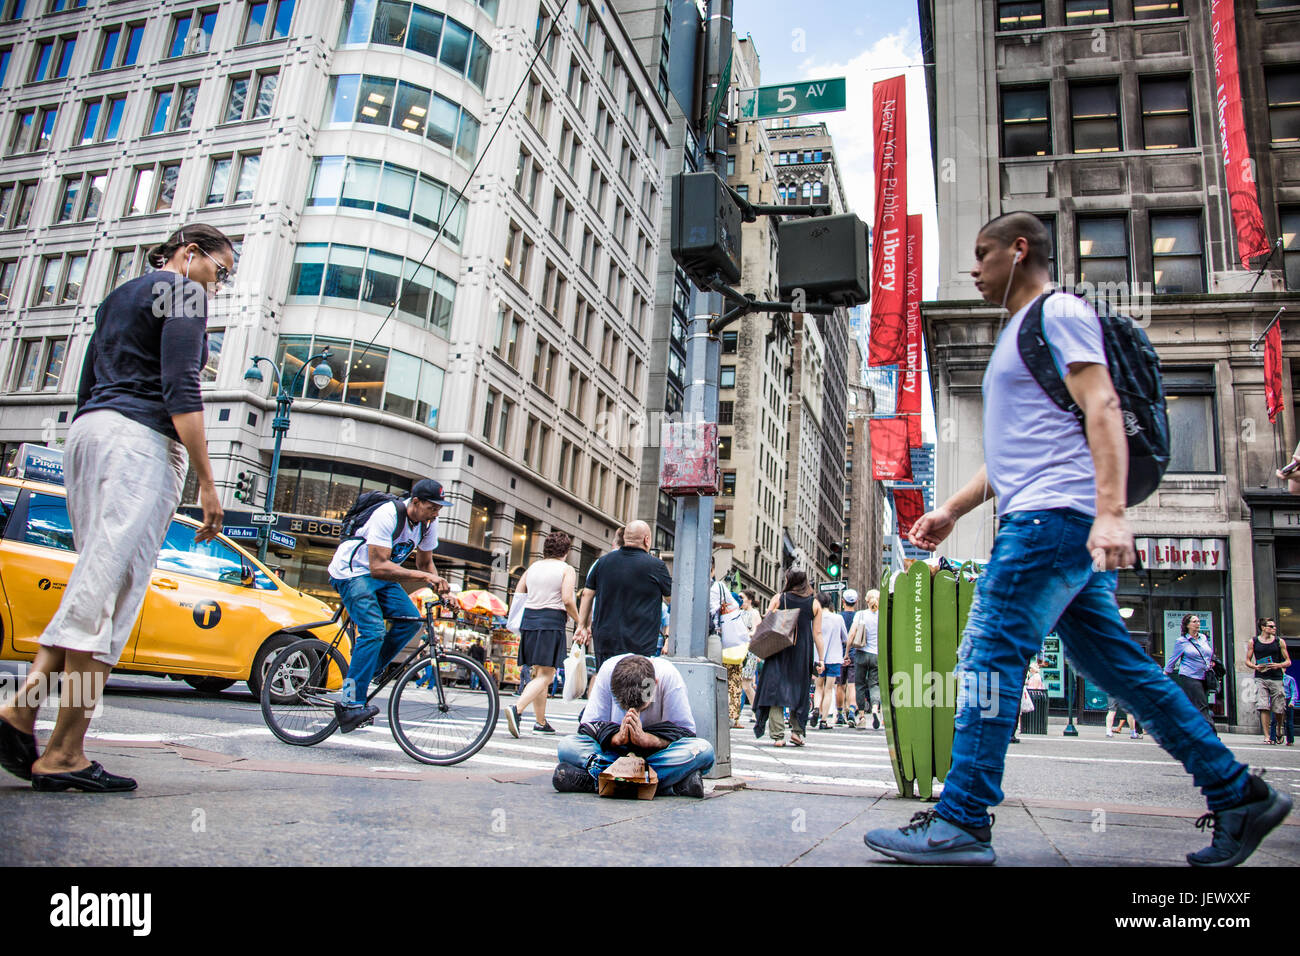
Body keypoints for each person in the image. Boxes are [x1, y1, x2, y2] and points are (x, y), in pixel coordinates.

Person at [865, 212, 1290, 867]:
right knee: (1124, 671)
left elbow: (1103, 406)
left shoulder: (1056, 313)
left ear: (1020, 248)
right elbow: (1016, 456)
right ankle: (1238, 794)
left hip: (1049, 524)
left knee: (987, 660)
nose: (973, 270)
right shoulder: (1020, 332)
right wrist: (951, 507)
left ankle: (961, 821)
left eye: (983, 254)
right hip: (1053, 521)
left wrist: (1113, 512)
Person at [0, 224, 233, 793]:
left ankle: (35, 720)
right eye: (220, 271)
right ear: (190, 253)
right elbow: (182, 386)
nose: (219, 287)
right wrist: (207, 481)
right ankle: (55, 745)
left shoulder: (116, 297)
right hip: (139, 444)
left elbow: (85, 385)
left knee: (97, 584)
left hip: (88, 436)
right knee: (113, 593)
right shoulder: (183, 292)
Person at [326, 479, 451, 733]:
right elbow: (378, 566)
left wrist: (440, 590)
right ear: (415, 502)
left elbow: (425, 564)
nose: (436, 512)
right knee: (373, 631)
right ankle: (350, 703)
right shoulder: (388, 514)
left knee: (410, 621)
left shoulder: (428, 524)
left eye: (439, 507)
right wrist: (426, 578)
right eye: (432, 507)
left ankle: (368, 670)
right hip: (353, 573)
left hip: (382, 577)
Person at [551, 653, 715, 797]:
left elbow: (685, 733)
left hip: (654, 755)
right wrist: (615, 738)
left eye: (641, 708)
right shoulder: (608, 670)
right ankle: (665, 785)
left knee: (703, 750)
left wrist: (648, 740)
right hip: (615, 754)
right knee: (567, 746)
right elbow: (588, 728)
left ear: (654, 684)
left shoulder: (668, 676)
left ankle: (598, 780)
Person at [505, 530, 580, 737]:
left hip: (529, 620)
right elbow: (567, 599)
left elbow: (519, 594)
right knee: (547, 674)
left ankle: (541, 721)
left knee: (539, 673)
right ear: (566, 551)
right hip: (551, 621)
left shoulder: (532, 568)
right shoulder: (566, 569)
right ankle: (517, 709)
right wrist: (580, 621)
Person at [576, 520, 671, 668]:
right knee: (636, 684)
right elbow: (673, 600)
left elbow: (587, 594)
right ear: (647, 540)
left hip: (606, 639)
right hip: (641, 641)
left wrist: (581, 625)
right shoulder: (656, 566)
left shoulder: (603, 562)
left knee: (607, 679)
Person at [753, 569, 825, 747]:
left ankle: (778, 736)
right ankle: (797, 732)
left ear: (789, 581)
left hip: (779, 647)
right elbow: (818, 633)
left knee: (774, 690)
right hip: (802, 650)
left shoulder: (779, 598)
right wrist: (821, 659)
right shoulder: (814, 603)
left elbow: (766, 623)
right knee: (798, 690)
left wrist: (760, 648)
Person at [1163, 614, 1216, 731]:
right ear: (1187, 625)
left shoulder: (1203, 638)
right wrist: (1165, 674)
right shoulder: (1181, 641)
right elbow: (1173, 659)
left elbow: (1208, 655)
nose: (1198, 623)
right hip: (1189, 676)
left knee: (1195, 705)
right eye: (1194, 621)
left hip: (1204, 676)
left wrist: (1211, 663)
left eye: (1198, 621)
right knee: (1202, 705)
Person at [1248, 617, 1291, 744]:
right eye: (1271, 626)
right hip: (1261, 677)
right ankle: (1267, 736)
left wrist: (1278, 665)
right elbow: (1247, 660)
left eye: (1274, 626)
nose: (1274, 628)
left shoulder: (1279, 641)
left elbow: (1288, 661)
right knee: (1263, 706)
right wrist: (1255, 667)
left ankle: (1278, 727)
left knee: (1278, 709)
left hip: (1277, 678)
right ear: (1263, 628)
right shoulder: (1254, 641)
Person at [813, 597, 848, 730]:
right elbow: (845, 637)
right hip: (834, 658)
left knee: (818, 687)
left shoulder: (816, 617)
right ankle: (823, 720)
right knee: (828, 690)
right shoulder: (838, 618)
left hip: (818, 657)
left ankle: (816, 708)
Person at [848, 590, 881, 729]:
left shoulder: (860, 614)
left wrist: (846, 653)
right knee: (874, 685)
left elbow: (851, 634)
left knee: (860, 685)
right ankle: (874, 708)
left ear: (867, 600)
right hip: (876, 655)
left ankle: (861, 716)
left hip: (861, 653)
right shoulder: (882, 615)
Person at [739, 590, 762, 722]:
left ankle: (756, 711)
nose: (740, 600)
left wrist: (745, 633)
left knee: (747, 685)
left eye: (742, 598)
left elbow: (756, 631)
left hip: (750, 650)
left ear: (750, 600)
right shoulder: (739, 613)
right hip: (739, 649)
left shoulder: (755, 613)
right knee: (742, 684)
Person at [1278, 672, 1297, 746]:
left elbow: (1294, 691)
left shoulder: (1289, 679)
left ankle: (1290, 740)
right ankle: (1273, 738)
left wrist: (1292, 701)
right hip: (1278, 699)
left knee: (1289, 721)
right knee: (1274, 720)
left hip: (1287, 699)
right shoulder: (1275, 678)